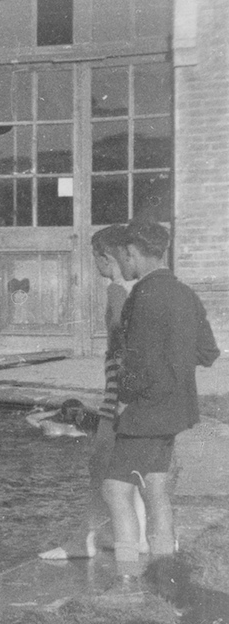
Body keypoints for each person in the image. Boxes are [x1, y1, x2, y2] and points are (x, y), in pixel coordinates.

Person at [102, 220, 219, 586]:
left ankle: (126, 582)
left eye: (124, 256)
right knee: (154, 487)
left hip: (145, 410)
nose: (123, 264)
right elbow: (208, 352)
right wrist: (174, 358)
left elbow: (135, 361)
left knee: (115, 489)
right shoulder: (186, 293)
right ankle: (164, 576)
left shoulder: (143, 294)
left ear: (132, 252)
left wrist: (124, 402)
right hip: (176, 410)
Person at [40, 226, 148, 561]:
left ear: (106, 257)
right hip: (141, 397)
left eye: (95, 257)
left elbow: (122, 347)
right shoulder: (144, 289)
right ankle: (139, 538)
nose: (95, 264)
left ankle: (81, 543)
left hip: (119, 397)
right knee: (130, 473)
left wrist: (120, 402)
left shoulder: (117, 293)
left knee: (99, 470)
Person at [25, 399, 99, 439]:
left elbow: (30, 418)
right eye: (82, 413)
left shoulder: (49, 425)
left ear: (62, 413)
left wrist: (54, 412)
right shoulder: (83, 434)